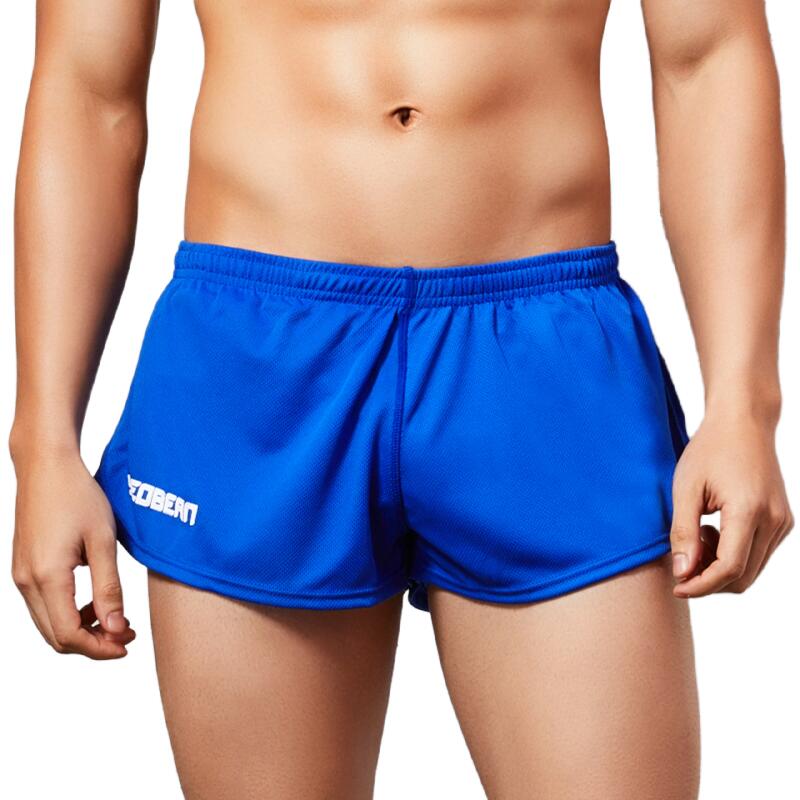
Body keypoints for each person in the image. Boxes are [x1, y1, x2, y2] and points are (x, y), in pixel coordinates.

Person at [9, 1, 793, 798]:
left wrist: (744, 403)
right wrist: (42, 446)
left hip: (544, 353)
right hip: (256, 362)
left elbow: (708, 58)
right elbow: (88, 88)